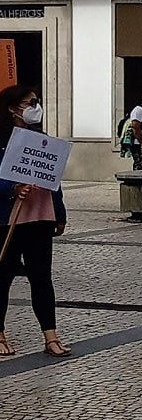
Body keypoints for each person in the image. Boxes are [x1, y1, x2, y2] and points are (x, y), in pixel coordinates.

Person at [0, 86, 71, 357]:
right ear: (12, 108)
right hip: (9, 219)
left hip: (40, 216)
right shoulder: (2, 141)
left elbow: (53, 179)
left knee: (42, 278)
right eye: (30, 103)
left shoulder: (42, 140)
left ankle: (50, 336)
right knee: (3, 277)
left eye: (36, 102)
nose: (35, 106)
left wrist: (59, 212)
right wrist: (11, 188)